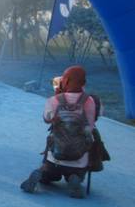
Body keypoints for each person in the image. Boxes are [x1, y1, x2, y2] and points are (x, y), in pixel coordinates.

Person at [20, 65, 97, 199]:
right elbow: (91, 125)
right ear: (84, 83)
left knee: (50, 144)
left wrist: (57, 98)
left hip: (56, 153)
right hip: (78, 155)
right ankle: (74, 177)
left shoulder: (54, 100)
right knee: (94, 138)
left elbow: (47, 119)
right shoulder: (90, 101)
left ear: (65, 81)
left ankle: (42, 172)